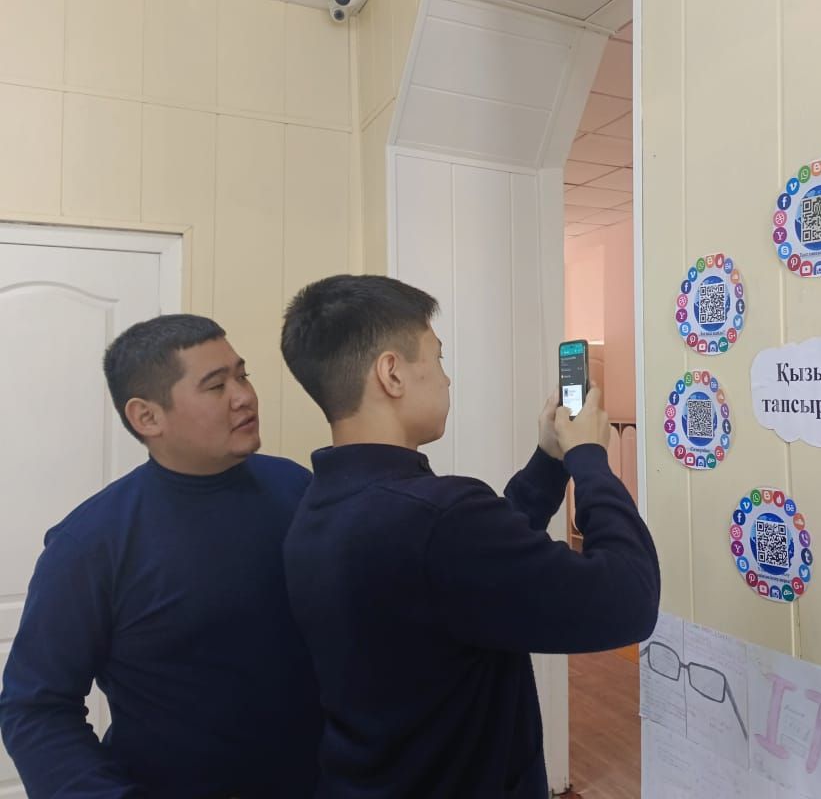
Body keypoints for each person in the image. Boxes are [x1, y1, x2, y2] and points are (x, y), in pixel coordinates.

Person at [280, 274, 660, 798]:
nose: (446, 379)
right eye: (437, 358)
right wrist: (590, 458)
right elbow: (629, 598)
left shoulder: (320, 507)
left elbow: (472, 570)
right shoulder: (437, 520)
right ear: (392, 373)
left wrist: (550, 458)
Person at [0, 314, 321, 798]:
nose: (244, 396)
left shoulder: (297, 487)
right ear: (147, 417)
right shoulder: (91, 544)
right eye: (216, 385)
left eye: (243, 375)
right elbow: (35, 708)